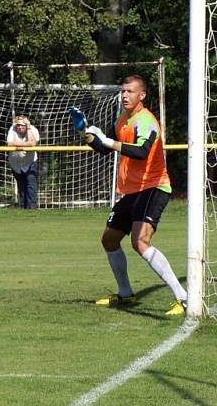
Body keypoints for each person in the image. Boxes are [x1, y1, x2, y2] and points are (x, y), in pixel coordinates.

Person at [75, 74, 187, 315]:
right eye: (123, 91)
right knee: (109, 239)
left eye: (130, 91)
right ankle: (126, 295)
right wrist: (85, 132)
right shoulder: (122, 119)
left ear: (142, 95)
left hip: (153, 187)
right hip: (132, 191)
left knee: (140, 242)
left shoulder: (145, 122)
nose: (125, 95)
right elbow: (104, 147)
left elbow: (142, 152)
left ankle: (183, 297)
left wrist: (108, 142)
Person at [6, 115, 39, 209]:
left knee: (30, 183)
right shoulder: (12, 129)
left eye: (22, 125)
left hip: (30, 161)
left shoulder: (33, 129)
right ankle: (23, 208)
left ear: (27, 124)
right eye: (18, 125)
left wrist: (28, 128)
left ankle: (32, 207)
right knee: (21, 186)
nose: (20, 127)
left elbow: (32, 143)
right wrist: (26, 144)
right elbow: (9, 143)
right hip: (15, 163)